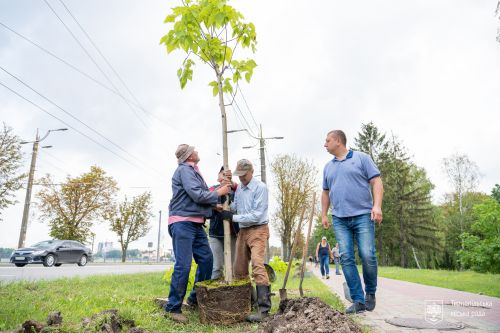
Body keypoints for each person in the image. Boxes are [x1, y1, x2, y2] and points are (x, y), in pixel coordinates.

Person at [164, 144, 231, 324]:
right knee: (183, 265)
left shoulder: (193, 170)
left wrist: (213, 206)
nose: (198, 151)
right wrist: (219, 192)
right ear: (189, 156)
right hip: (182, 222)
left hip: (195, 223)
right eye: (194, 150)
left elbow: (197, 196)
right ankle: (172, 308)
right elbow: (196, 194)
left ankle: (194, 298)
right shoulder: (185, 170)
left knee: (207, 260)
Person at [321, 130, 384, 314]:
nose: (324, 144)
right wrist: (324, 214)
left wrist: (377, 206)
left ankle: (370, 293)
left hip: (363, 215)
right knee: (346, 257)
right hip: (339, 218)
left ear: (338, 141)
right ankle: (358, 300)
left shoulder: (361, 158)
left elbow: (376, 182)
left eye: (327, 140)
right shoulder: (328, 167)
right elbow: (325, 192)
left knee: (367, 254)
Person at [220, 159, 271, 323]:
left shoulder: (260, 188)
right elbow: (237, 207)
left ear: (251, 171)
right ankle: (248, 303)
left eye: (244, 175)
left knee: (257, 264)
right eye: (239, 175)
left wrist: (232, 217)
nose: (241, 178)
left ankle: (264, 310)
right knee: (239, 269)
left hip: (258, 229)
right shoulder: (240, 189)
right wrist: (226, 207)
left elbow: (256, 214)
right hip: (243, 231)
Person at [208, 167, 239, 280]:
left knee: (234, 267)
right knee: (216, 267)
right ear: (218, 177)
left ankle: (236, 293)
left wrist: (231, 184)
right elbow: (205, 198)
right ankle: (215, 295)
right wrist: (221, 188)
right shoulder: (213, 189)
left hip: (233, 234)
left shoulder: (235, 190)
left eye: (226, 173)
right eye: (222, 173)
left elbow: (242, 191)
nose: (224, 175)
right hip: (215, 234)